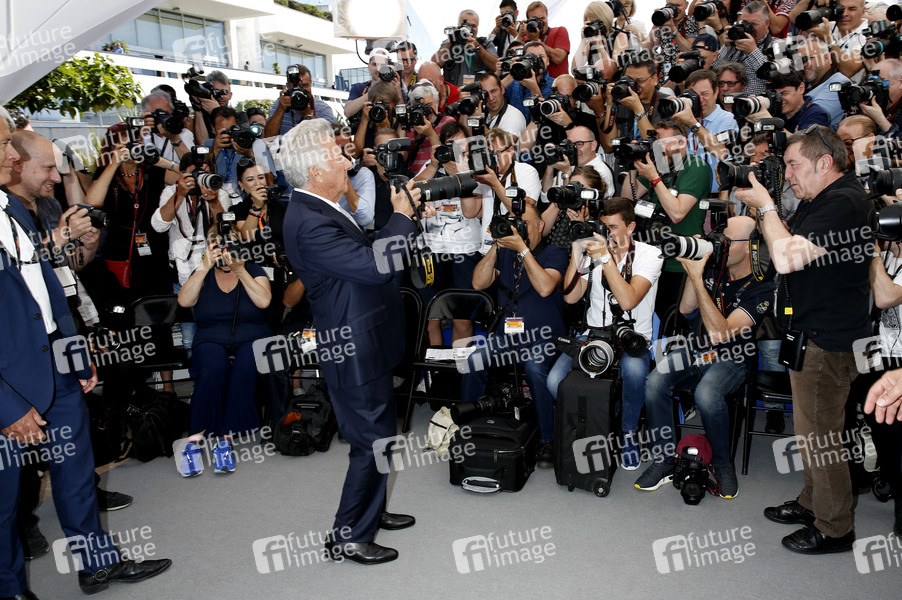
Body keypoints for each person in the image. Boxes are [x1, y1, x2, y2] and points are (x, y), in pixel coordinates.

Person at [0, 107, 171, 599]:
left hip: (56, 365)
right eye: (6, 146)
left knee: (76, 472)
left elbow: (50, 293)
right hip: (9, 381)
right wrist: (7, 407)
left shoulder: (18, 211)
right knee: (5, 502)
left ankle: (97, 566)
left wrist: (75, 355)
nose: (12, 155)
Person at [282, 119, 428, 564]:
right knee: (371, 442)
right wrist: (402, 216)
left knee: (381, 434)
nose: (347, 161)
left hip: (366, 341)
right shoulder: (310, 221)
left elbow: (367, 255)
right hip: (352, 348)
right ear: (314, 171)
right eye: (336, 156)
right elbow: (375, 267)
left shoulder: (321, 207)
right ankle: (349, 536)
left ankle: (371, 511)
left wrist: (400, 221)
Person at [736, 125, 873, 554]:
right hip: (812, 334)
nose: (789, 175)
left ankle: (834, 528)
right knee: (811, 431)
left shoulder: (844, 202)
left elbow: (786, 257)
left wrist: (765, 207)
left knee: (821, 439)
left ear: (825, 162)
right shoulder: (826, 199)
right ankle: (813, 502)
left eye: (794, 165)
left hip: (828, 341)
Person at [635, 216, 775, 498]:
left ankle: (721, 464)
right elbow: (686, 309)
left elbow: (721, 334)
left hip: (733, 356)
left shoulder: (763, 287)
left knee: (707, 394)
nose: (721, 245)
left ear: (750, 246)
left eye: (728, 241)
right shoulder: (714, 270)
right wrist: (693, 269)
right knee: (655, 382)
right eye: (719, 238)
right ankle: (664, 460)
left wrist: (699, 279)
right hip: (695, 350)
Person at [549, 195, 663, 470]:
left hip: (632, 337)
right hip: (593, 334)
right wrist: (577, 253)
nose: (607, 233)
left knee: (634, 374)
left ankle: (628, 434)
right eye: (603, 226)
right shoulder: (593, 251)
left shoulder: (650, 254)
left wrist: (605, 258)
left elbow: (628, 300)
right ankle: (594, 426)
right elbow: (571, 297)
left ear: (631, 227)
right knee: (554, 381)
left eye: (613, 227)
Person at [463, 202, 568, 468]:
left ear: (540, 225)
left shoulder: (555, 251)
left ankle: (547, 439)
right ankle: (469, 428)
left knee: (534, 367)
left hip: (545, 338)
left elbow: (545, 287)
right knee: (474, 360)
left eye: (524, 224)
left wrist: (523, 250)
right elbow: (478, 283)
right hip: (506, 339)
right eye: (513, 224)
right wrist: (497, 246)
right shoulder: (506, 252)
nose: (517, 229)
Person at [176, 225, 271, 475]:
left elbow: (264, 301)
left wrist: (240, 271)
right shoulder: (203, 272)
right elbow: (184, 301)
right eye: (220, 247)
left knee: (245, 367)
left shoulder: (253, 269)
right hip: (211, 338)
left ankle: (225, 439)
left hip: (252, 338)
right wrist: (203, 267)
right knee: (212, 369)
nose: (226, 252)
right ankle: (194, 440)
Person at [625, 119, 710, 332]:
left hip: (679, 262)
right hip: (650, 257)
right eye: (656, 142)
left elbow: (677, 213)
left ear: (682, 142)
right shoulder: (660, 166)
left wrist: (655, 178)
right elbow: (627, 197)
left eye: (664, 142)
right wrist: (633, 166)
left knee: (674, 324)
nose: (658, 147)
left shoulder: (696, 166)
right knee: (646, 321)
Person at [152, 152, 231, 352]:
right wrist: (179, 195)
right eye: (195, 174)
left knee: (215, 330)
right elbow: (159, 226)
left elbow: (226, 229)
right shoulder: (171, 191)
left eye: (205, 173)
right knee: (188, 338)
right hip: (183, 271)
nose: (200, 178)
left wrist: (213, 202)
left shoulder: (218, 191)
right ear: (182, 174)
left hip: (213, 270)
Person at [667, 69, 736, 191]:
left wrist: (692, 123)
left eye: (705, 94)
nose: (700, 100)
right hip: (683, 192)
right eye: (694, 95)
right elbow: (665, 161)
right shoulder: (681, 119)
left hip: (713, 194)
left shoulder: (726, 118)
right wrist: (673, 121)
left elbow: (721, 153)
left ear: (716, 92)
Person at [203, 106, 276, 193]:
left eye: (232, 130)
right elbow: (202, 176)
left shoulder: (255, 144)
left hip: (248, 197)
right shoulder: (208, 145)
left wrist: (249, 155)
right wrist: (215, 150)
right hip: (217, 196)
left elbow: (270, 181)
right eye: (224, 132)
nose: (229, 135)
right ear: (213, 129)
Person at [711, 1, 776, 95]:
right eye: (745, 23)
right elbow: (714, 70)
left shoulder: (778, 45)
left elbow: (779, 78)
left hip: (758, 101)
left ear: (766, 23)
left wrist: (753, 51)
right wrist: (727, 47)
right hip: (728, 100)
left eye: (754, 24)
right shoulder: (736, 43)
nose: (748, 28)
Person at [791, 0, 868, 78]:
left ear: (863, 11)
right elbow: (794, 19)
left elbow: (848, 71)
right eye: (841, 9)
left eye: (852, 9)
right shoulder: (828, 26)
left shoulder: (868, 36)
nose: (844, 14)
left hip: (847, 84)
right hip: (817, 83)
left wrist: (829, 40)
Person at [431, 9, 499, 87]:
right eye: (465, 25)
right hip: (454, 92)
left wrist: (478, 47)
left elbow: (496, 66)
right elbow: (434, 64)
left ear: (477, 27)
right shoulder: (449, 43)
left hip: (479, 91)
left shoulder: (485, 44)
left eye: (473, 26)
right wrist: (450, 42)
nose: (469, 29)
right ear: (458, 26)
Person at [266, 64, 335, 138]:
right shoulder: (280, 104)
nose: (301, 90)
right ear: (288, 86)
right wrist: (280, 109)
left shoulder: (323, 109)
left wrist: (308, 115)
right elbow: (268, 138)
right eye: (296, 87)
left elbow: (327, 140)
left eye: (306, 85)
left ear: (311, 84)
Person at [796, 38, 849, 130]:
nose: (804, 64)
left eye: (810, 58)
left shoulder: (840, 82)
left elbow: (810, 123)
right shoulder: (805, 86)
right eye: (800, 60)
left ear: (826, 57)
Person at [503, 41, 554, 123]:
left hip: (540, 129)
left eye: (541, 56)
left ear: (548, 61)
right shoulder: (514, 83)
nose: (537, 61)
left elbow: (548, 117)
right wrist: (513, 72)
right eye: (532, 57)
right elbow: (493, 95)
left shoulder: (555, 84)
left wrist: (534, 88)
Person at [515, 1, 570, 78]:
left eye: (542, 18)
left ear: (547, 16)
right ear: (528, 21)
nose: (540, 22)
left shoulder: (559, 31)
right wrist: (520, 36)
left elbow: (558, 58)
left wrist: (536, 40)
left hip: (558, 82)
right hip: (533, 82)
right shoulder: (526, 38)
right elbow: (515, 60)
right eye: (535, 19)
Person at [766, 72, 832, 132]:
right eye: (775, 95)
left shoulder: (816, 115)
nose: (779, 99)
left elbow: (805, 141)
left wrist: (771, 123)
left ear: (801, 88)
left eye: (784, 93)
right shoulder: (773, 112)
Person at [140, 90, 194, 164]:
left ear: (171, 113)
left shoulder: (183, 134)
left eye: (165, 113)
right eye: (157, 114)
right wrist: (141, 134)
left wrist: (175, 139)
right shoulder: (140, 134)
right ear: (145, 114)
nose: (162, 118)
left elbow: (191, 165)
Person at [475, 72, 527, 139]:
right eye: (485, 94)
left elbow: (503, 144)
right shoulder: (484, 113)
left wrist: (479, 122)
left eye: (493, 91)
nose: (491, 98)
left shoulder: (514, 116)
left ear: (502, 89)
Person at [192, 69, 233, 144]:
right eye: (216, 91)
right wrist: (197, 110)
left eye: (225, 92)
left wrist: (217, 111)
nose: (221, 96)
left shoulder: (240, 116)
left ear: (230, 95)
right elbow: (203, 144)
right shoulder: (202, 116)